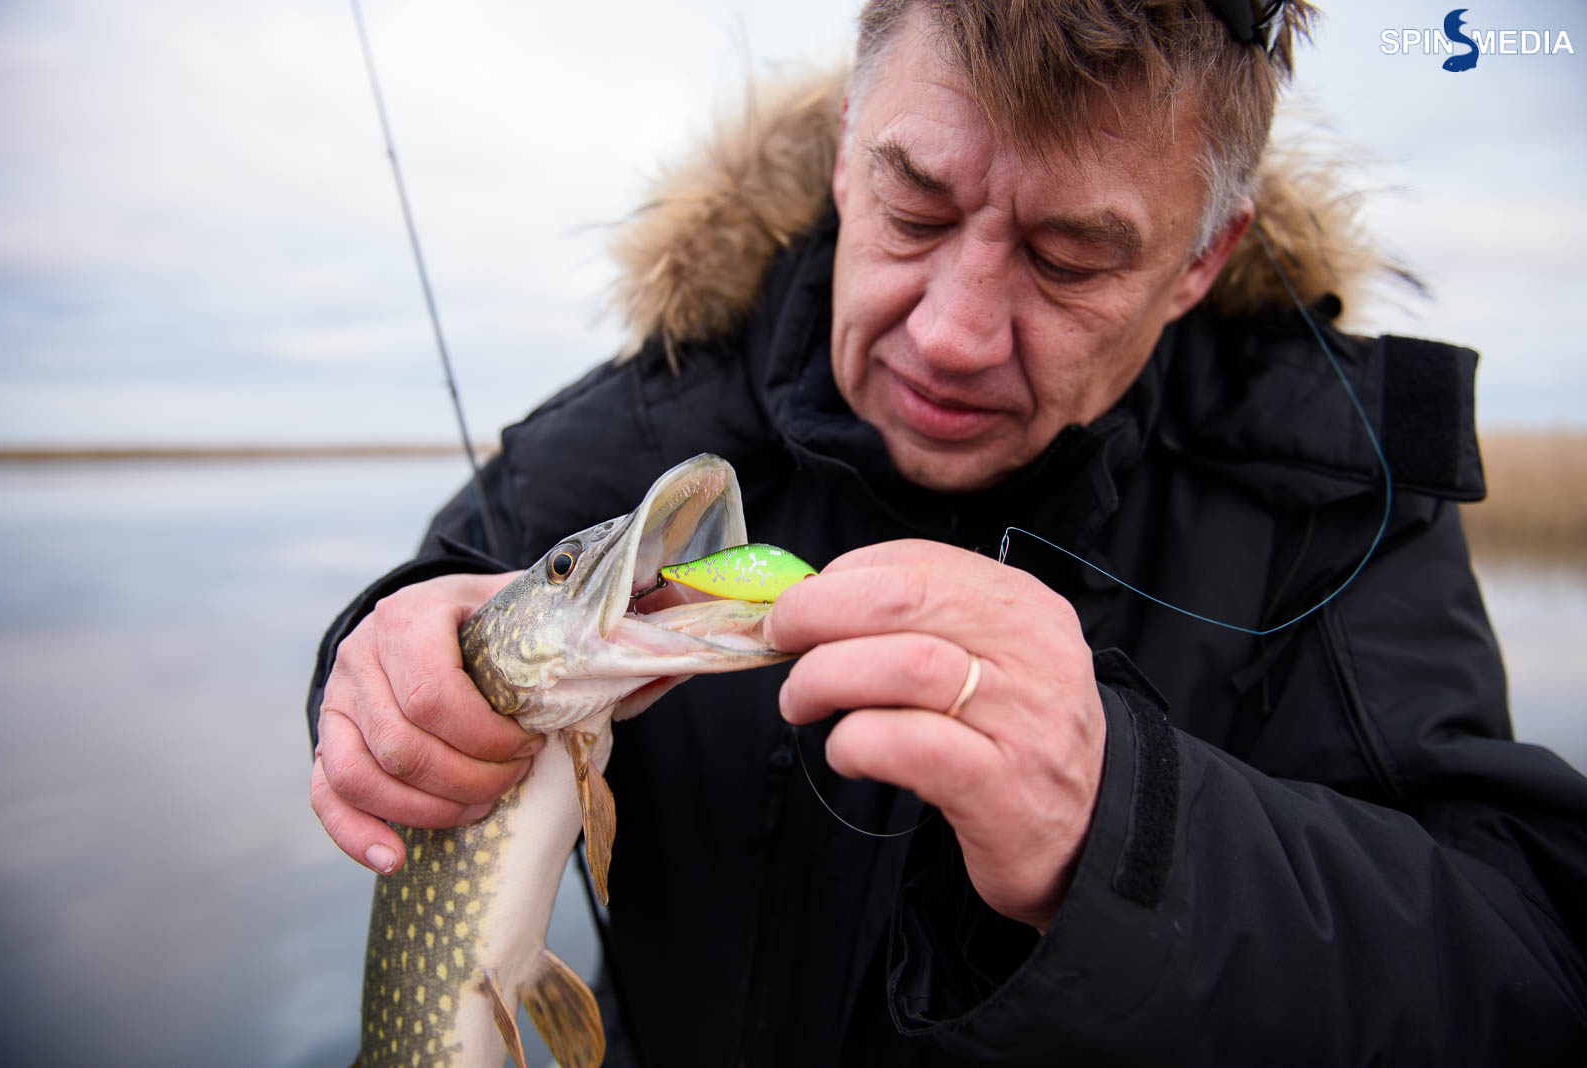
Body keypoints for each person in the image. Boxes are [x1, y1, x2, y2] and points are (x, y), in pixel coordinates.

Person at [308, 1, 1587, 1062]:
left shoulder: (1330, 493)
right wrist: (389, 670)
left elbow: (1532, 969)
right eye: (914, 210)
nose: (953, 334)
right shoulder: (661, 418)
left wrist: (1131, 830)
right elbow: (443, 598)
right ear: (846, 149)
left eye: (1071, 259)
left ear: (1203, 259)